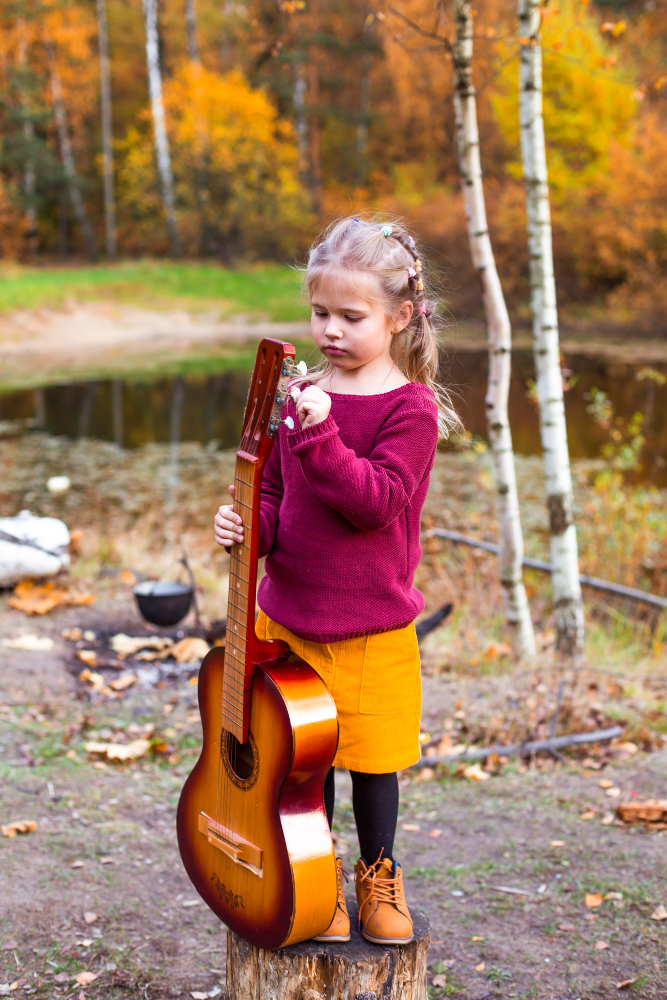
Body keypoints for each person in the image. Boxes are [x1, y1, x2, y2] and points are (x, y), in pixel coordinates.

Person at [214, 216, 461, 946]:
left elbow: (373, 505)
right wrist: (244, 529)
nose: (330, 330)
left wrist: (320, 433)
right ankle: (313, 879)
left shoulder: (407, 408)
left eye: (351, 317)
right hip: (289, 622)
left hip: (373, 628)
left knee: (372, 765)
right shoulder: (299, 394)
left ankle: (377, 874)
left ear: (398, 317)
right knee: (301, 768)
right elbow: (275, 496)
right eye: (320, 313)